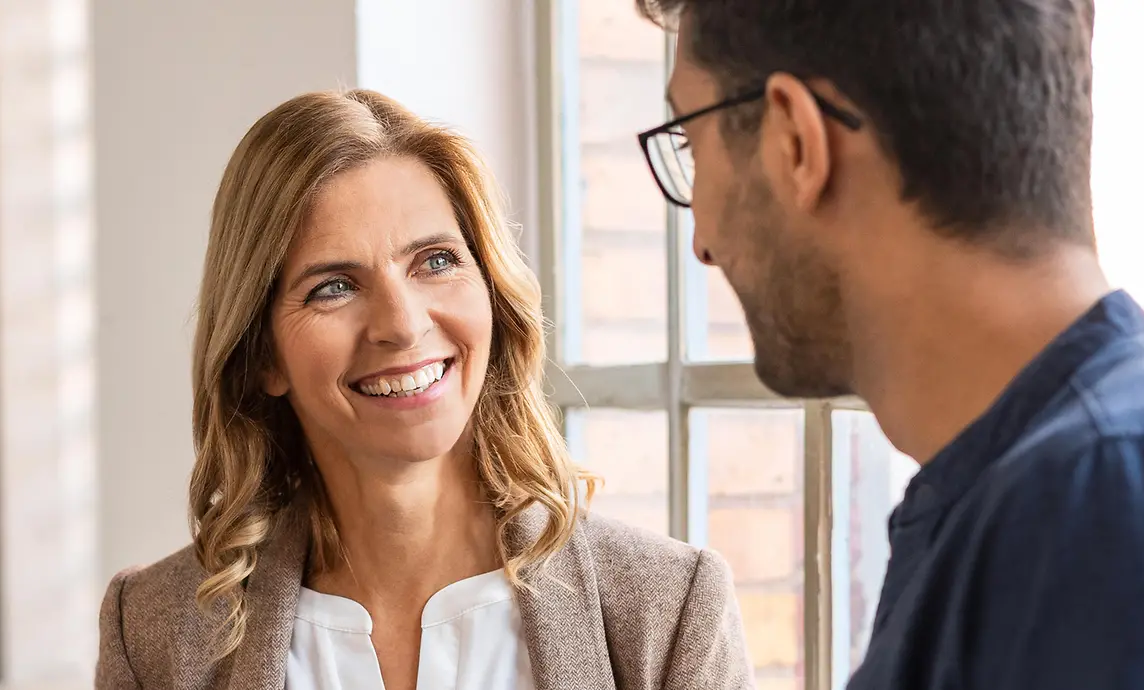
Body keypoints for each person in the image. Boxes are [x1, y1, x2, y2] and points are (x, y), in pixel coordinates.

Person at [633, 0, 1144, 688]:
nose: (701, 240)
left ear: (795, 138)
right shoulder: (1050, 495)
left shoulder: (1129, 509)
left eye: (693, 149)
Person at [94, 89, 755, 690]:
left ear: (492, 294)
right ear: (262, 354)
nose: (402, 325)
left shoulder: (668, 610)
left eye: (435, 261)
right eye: (334, 285)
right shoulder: (153, 632)